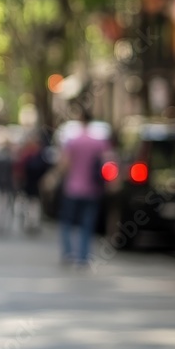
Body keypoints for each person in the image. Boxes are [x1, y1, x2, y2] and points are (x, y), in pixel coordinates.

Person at [59, 108, 110, 266]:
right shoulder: (99, 142)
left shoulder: (73, 141)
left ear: (80, 121)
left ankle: (68, 253)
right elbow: (108, 163)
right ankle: (83, 257)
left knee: (67, 222)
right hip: (92, 189)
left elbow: (64, 165)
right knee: (87, 224)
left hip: (73, 188)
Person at [15, 130, 50, 235]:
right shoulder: (30, 155)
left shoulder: (37, 155)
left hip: (34, 184)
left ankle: (32, 223)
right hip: (30, 184)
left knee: (34, 204)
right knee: (32, 203)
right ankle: (30, 223)